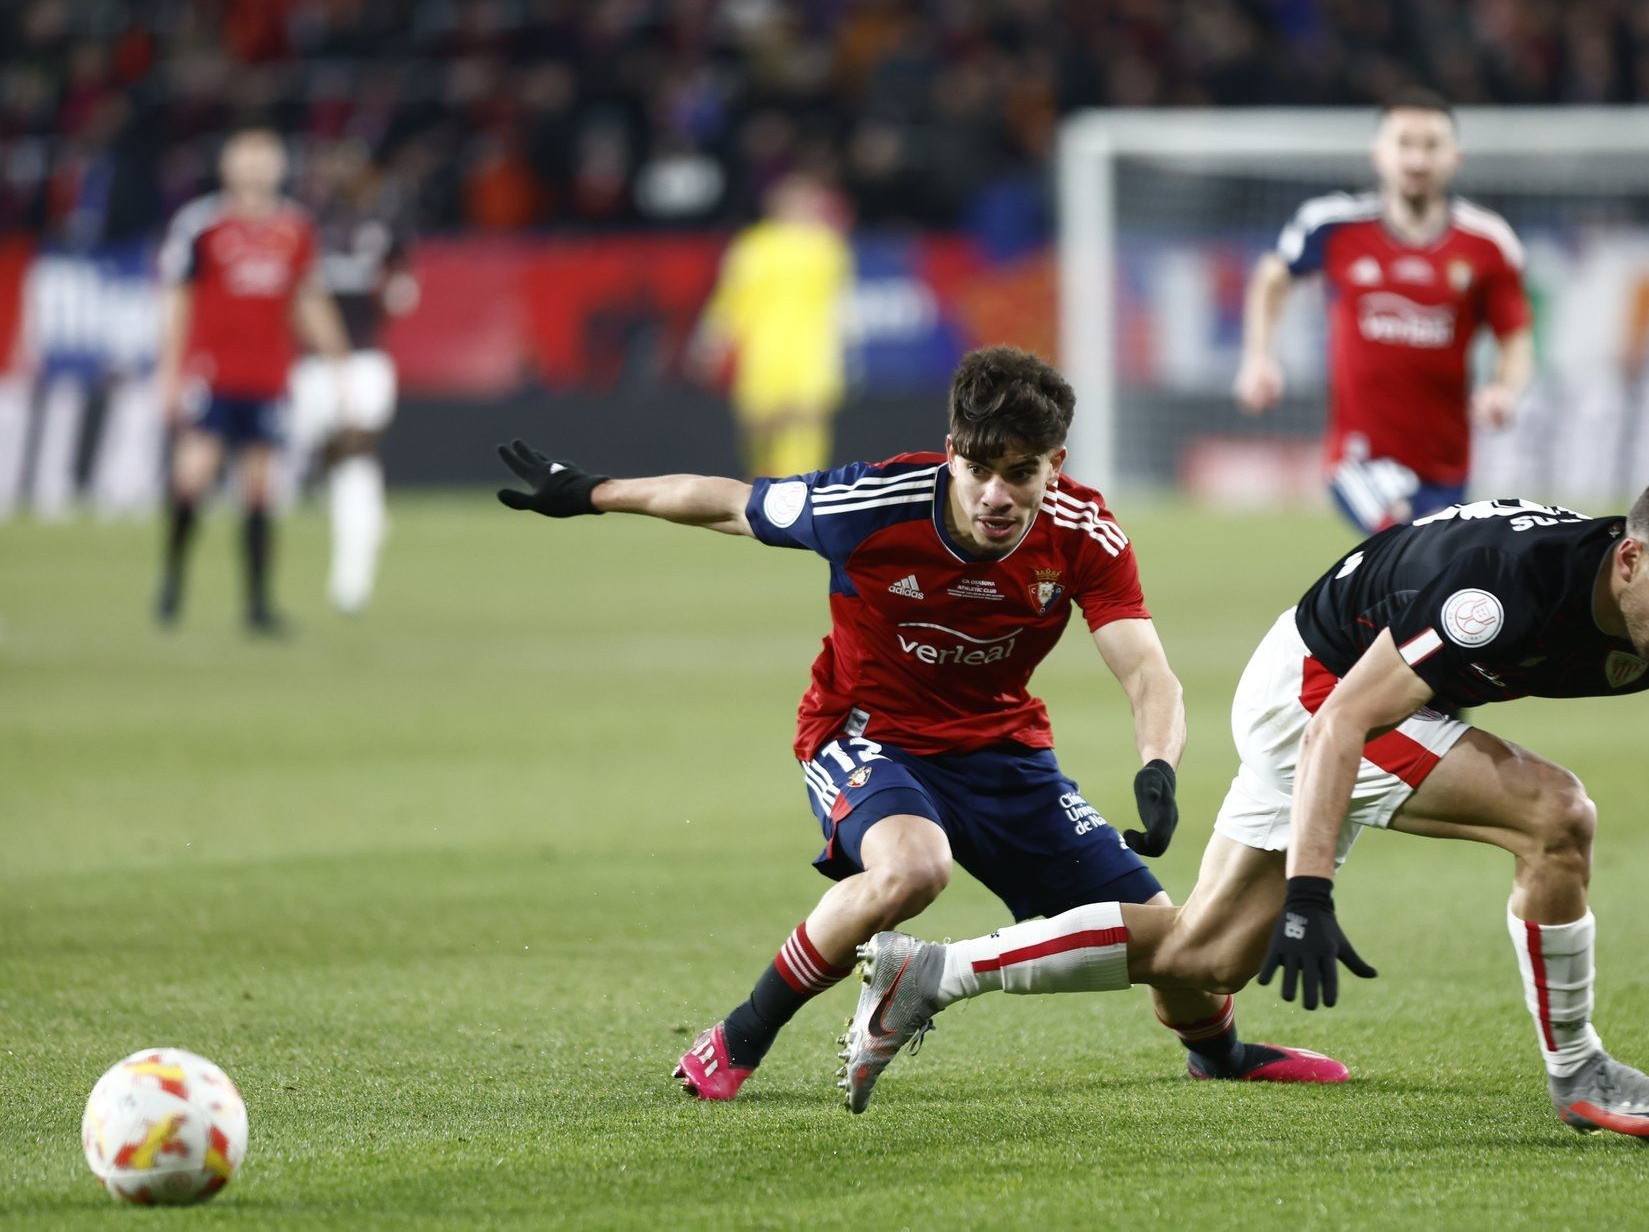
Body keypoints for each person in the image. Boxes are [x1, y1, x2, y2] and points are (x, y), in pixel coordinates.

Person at [838, 472, 1649, 1133]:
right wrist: (1311, 890)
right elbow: (1343, 719)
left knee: (1200, 966)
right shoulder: (1502, 597)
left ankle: (931, 974)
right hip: (1321, 684)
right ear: (1628, 561)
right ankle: (1580, 1075)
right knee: (1555, 812)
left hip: (1338, 685)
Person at [495, 345, 1342, 1104]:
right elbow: (726, 503)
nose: (996, 494)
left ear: (1056, 463)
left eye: (1020, 472)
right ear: (951, 452)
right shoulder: (872, 501)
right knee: (912, 870)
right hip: (867, 734)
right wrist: (592, 493)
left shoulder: (1084, 530)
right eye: (979, 468)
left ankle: (1219, 1053)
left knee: (1174, 939)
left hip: (1007, 752)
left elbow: (1146, 667)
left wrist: (1157, 765)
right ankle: (738, 1036)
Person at [1234, 89, 1534, 534]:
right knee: (1407, 546)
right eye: (1404, 144)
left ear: (1455, 157)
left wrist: (1505, 390)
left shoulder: (1487, 242)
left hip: (1446, 461)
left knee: (1423, 589)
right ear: (1379, 154)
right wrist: (1258, 357)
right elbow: (1271, 277)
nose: (1416, 160)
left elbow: (1516, 336)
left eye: (1431, 145)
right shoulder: (1334, 225)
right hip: (1360, 457)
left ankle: (1350, 608)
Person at [154, 129, 350, 634]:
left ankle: (258, 604)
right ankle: (172, 584)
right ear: (227, 165)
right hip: (212, 371)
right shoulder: (202, 225)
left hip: (268, 375)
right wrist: (170, 371)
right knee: (193, 474)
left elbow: (308, 298)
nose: (256, 167)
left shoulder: (295, 228)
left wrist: (337, 361)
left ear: (281, 166)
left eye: (265, 158)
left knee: (259, 487)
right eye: (246, 157)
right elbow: (179, 299)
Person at [289, 141, 416, 614]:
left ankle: (351, 580)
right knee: (308, 453)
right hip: (312, 363)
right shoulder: (303, 229)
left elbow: (404, 291)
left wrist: (394, 290)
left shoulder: (386, 230)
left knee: (354, 456)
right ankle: (365, 521)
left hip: (364, 358)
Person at [693, 173, 852, 479]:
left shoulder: (827, 246)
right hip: (764, 349)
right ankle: (764, 480)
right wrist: (711, 342)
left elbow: (841, 302)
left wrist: (848, 347)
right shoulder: (754, 246)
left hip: (813, 348)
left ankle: (804, 490)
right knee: (759, 422)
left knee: (806, 418)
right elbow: (731, 300)